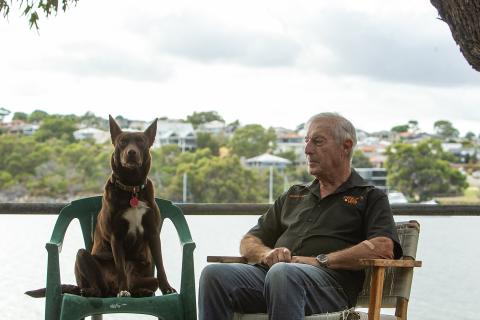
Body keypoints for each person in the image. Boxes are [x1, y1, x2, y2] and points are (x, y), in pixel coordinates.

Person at [198, 112, 402, 320]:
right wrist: (265, 254)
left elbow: (383, 247)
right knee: (214, 275)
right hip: (272, 278)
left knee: (283, 274)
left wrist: (320, 261)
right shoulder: (294, 194)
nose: (307, 150)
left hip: (329, 287)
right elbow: (250, 240)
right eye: (306, 141)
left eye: (317, 142)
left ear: (346, 146)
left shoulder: (369, 196)